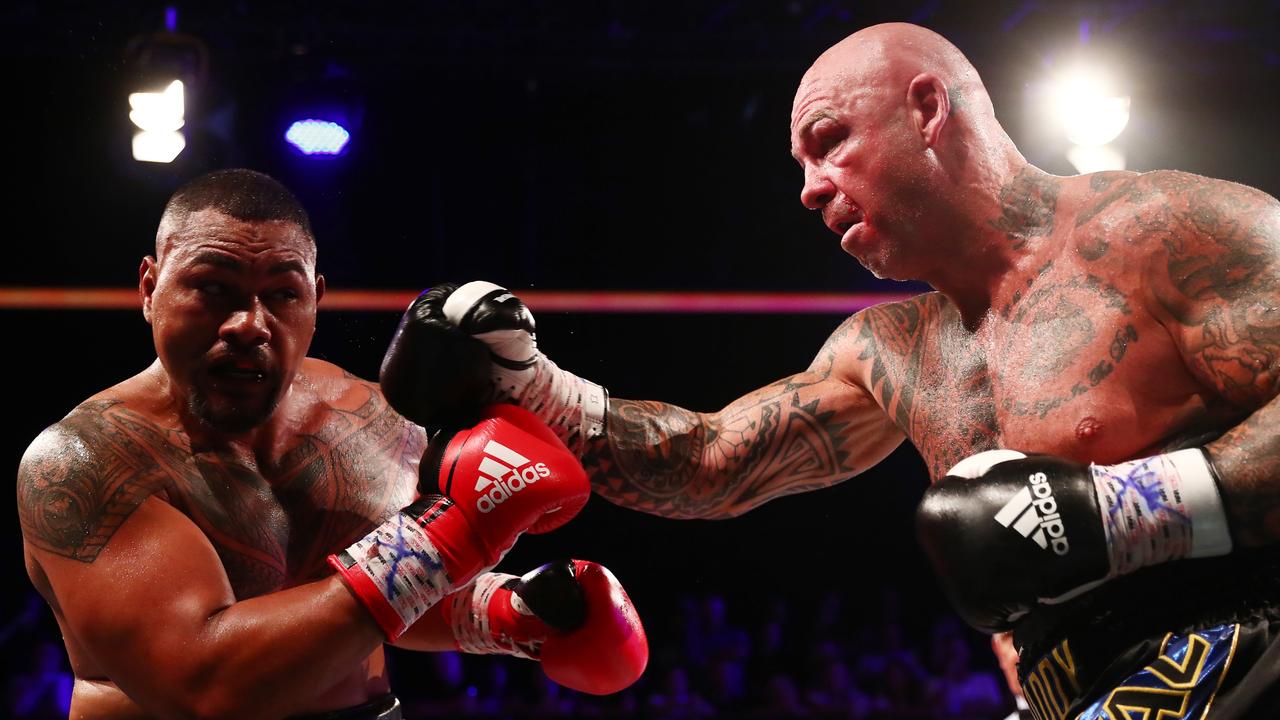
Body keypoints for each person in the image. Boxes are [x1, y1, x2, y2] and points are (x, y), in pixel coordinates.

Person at [383, 21, 1280, 719]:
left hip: (1249, 646)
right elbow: (710, 466)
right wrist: (524, 378)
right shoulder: (888, 350)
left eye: (830, 141)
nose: (810, 187)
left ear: (928, 109)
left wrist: (1126, 513)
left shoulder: (1157, 230)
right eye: (801, 164)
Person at [15, 169, 647, 719]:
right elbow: (205, 689)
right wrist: (454, 536)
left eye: (282, 294)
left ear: (317, 298)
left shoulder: (368, 418)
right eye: (213, 288)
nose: (248, 325)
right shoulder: (87, 461)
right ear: (151, 289)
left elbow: (361, 601)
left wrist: (504, 613)